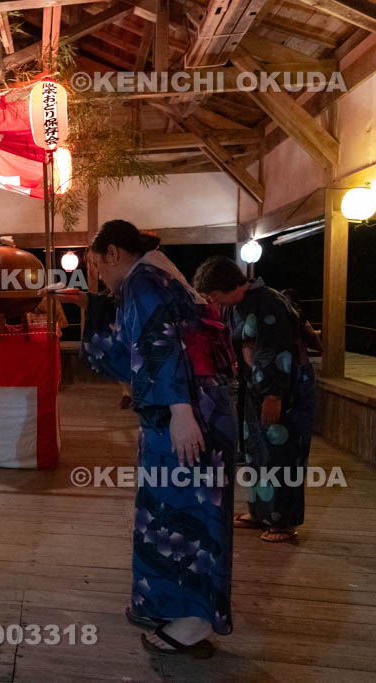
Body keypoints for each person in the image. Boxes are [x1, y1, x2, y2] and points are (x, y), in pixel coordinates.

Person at [56, 220, 236, 658]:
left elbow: (160, 343)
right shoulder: (158, 274)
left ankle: (192, 621)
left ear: (114, 253)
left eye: (98, 265)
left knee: (189, 517)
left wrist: (179, 412)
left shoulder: (143, 281)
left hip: (187, 415)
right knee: (165, 514)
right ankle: (165, 604)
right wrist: (88, 305)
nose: (100, 276)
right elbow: (137, 346)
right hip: (190, 411)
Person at [194, 256, 315, 544]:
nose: (215, 300)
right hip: (255, 385)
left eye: (216, 294)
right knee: (256, 450)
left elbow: (277, 351)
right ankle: (261, 511)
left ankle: (282, 521)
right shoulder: (239, 305)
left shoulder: (268, 302)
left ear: (232, 285)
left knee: (281, 452)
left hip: (284, 388)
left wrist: (274, 395)